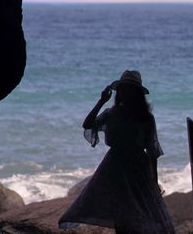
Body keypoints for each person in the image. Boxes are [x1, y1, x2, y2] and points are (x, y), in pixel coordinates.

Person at [59, 70, 175, 234]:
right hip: (117, 167)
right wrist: (101, 101)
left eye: (129, 89)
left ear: (136, 94)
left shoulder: (146, 118)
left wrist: (154, 181)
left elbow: (152, 151)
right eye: (124, 89)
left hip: (133, 168)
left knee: (137, 214)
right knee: (123, 212)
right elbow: (87, 125)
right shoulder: (112, 113)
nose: (126, 92)